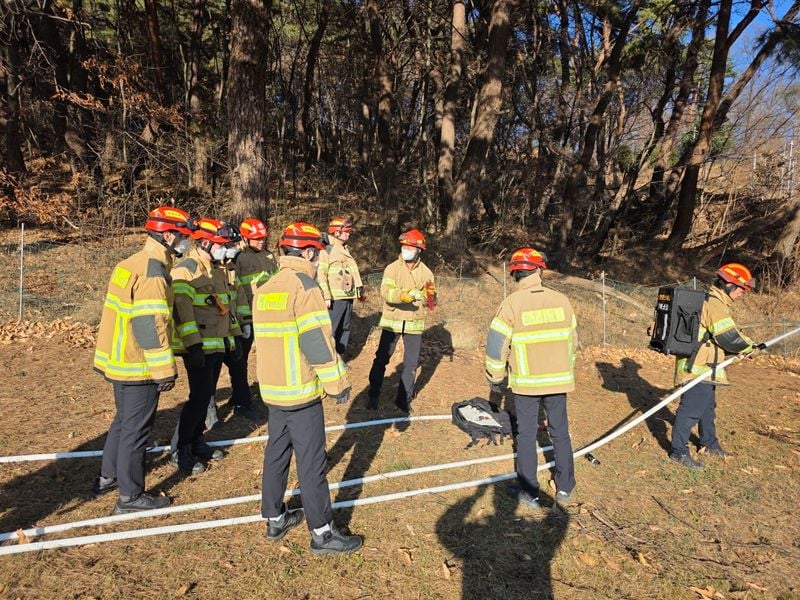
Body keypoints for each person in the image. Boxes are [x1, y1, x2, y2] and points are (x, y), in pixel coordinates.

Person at [254, 221, 362, 555]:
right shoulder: (306, 287)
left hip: (273, 390)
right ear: (311, 251)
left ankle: (274, 517)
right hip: (300, 390)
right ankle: (323, 533)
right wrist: (337, 384)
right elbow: (317, 341)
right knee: (312, 462)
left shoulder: (267, 286)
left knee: (276, 453)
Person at [92, 205, 194, 513]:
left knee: (123, 423)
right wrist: (164, 370)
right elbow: (151, 324)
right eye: (183, 237)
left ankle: (108, 477)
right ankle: (131, 496)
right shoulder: (153, 271)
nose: (186, 243)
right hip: (137, 364)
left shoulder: (130, 263)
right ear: (167, 235)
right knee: (137, 430)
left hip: (119, 360)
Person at [484, 247, 577, 509]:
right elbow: (573, 342)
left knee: (525, 434)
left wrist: (496, 376)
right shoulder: (562, 301)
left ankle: (529, 491)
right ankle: (565, 487)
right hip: (558, 380)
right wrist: (565, 370)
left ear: (515, 274)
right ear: (539, 270)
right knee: (560, 432)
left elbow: (496, 346)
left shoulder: (512, 304)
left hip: (526, 383)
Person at [170, 218, 244, 474]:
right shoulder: (187, 270)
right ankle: (179, 449)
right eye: (220, 244)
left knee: (205, 397)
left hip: (217, 345)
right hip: (198, 347)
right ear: (204, 243)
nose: (225, 249)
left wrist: (233, 339)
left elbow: (226, 308)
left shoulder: (216, 270)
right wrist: (193, 346)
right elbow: (182, 311)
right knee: (198, 398)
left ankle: (197, 440)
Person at [669, 263, 758, 470]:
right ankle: (678, 451)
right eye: (740, 289)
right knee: (691, 410)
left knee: (707, 409)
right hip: (697, 366)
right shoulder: (715, 305)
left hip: (707, 366)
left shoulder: (714, 302)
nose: (741, 294)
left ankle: (709, 443)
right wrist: (749, 348)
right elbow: (728, 337)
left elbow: (728, 333)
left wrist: (748, 345)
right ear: (727, 285)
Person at [367, 229, 436, 412]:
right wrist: (403, 295)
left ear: (419, 250)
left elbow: (431, 299)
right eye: (404, 246)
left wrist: (429, 297)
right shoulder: (392, 268)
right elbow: (386, 292)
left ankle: (403, 399)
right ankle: (373, 394)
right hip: (392, 321)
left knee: (411, 364)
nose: (405, 249)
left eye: (410, 246)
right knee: (381, 359)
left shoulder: (427, 273)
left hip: (414, 324)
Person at [223, 217, 278, 419]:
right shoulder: (238, 259)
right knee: (240, 360)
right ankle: (241, 400)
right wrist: (243, 319)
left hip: (269, 316)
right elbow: (236, 289)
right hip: (248, 317)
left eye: (263, 238)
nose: (261, 241)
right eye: (256, 239)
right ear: (245, 239)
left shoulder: (270, 257)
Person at [317, 217, 365, 356]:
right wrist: (326, 296)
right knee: (332, 330)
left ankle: (340, 358)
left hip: (348, 296)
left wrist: (359, 291)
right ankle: (328, 360)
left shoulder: (344, 248)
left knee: (345, 328)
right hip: (335, 299)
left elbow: (352, 272)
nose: (349, 234)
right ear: (337, 233)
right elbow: (322, 274)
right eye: (346, 231)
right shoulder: (327, 250)